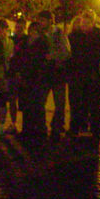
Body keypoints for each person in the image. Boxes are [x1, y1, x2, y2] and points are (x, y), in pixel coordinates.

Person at [67, 9, 100, 139]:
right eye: (83, 23)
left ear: (93, 22)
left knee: (94, 103)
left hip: (93, 74)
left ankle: (95, 127)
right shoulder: (74, 36)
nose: (84, 25)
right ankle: (76, 126)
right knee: (76, 102)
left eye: (87, 23)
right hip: (77, 74)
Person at [36, 10, 71, 140]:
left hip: (57, 71)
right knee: (40, 101)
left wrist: (52, 56)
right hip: (44, 72)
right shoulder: (38, 33)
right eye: (39, 20)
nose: (40, 23)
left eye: (43, 20)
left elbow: (67, 52)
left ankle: (56, 126)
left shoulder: (59, 33)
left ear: (50, 21)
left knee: (59, 103)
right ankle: (42, 127)